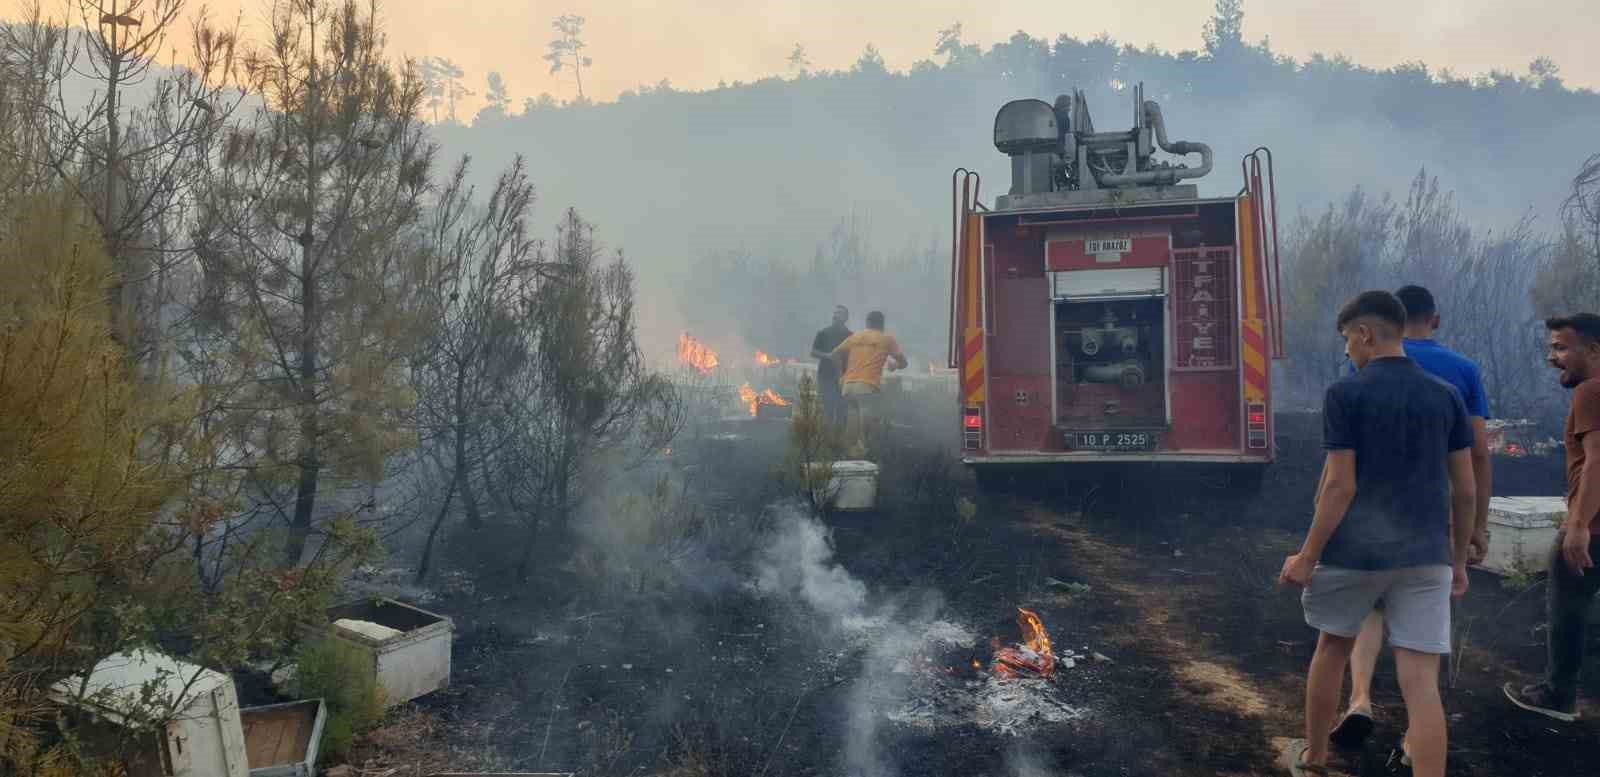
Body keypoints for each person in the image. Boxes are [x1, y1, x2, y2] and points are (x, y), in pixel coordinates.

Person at [1280, 290, 1475, 777]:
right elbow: (1465, 489)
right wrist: (1458, 560)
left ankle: (1317, 759)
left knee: (1332, 649)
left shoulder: (1345, 394)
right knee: (1421, 682)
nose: (1347, 350)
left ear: (1365, 334)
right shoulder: (1445, 395)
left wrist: (1308, 555)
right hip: (1427, 554)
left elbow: (1340, 485)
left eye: (1348, 339)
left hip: (1356, 556)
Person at [1328, 285, 1493, 750]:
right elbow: (1476, 455)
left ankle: (1358, 700)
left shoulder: (1364, 363)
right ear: (1434, 320)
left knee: (1369, 614)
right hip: (1430, 522)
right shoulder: (1461, 373)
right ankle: (1415, 740)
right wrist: (1475, 527)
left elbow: (1342, 458)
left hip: (1369, 523)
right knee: (1421, 653)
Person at [1504, 313, 1600, 722]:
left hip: (1593, 526)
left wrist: (1578, 525)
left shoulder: (1591, 392)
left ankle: (1558, 695)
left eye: (1561, 347)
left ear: (1593, 350)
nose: (1552, 358)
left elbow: (1598, 460)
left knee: (1567, 609)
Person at [829, 310, 907, 457]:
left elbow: (834, 354)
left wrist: (841, 376)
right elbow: (904, 362)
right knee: (866, 419)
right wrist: (894, 366)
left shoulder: (856, 337)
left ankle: (850, 454)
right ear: (882, 324)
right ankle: (865, 452)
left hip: (848, 386)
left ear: (867, 323)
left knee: (853, 417)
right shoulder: (886, 339)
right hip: (867, 385)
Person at [809, 305, 852, 434]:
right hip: (825, 377)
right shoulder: (823, 333)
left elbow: (854, 356)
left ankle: (838, 441)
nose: (836, 316)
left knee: (842, 410)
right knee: (827, 409)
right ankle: (824, 439)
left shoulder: (851, 336)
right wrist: (827, 356)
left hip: (843, 378)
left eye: (840, 313)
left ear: (845, 318)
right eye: (835, 313)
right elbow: (813, 352)